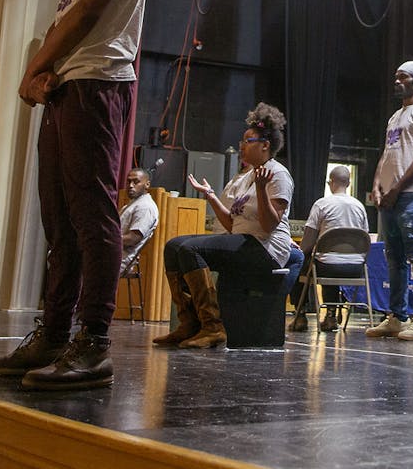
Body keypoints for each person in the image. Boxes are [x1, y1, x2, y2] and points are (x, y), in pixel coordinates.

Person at [0, 0, 149, 390]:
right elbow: (59, 24)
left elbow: (86, 17)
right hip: (65, 89)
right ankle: (54, 335)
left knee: (92, 215)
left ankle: (94, 342)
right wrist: (42, 75)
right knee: (58, 219)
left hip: (98, 85)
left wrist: (31, 72)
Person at [153, 103, 295, 349]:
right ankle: (189, 323)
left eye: (248, 140)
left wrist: (261, 190)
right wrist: (211, 196)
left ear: (265, 145)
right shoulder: (248, 176)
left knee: (191, 250)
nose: (242, 145)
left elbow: (270, 225)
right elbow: (232, 223)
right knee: (174, 246)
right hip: (244, 241)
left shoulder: (277, 174)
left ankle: (212, 326)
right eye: (242, 140)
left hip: (266, 248)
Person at [365, 61, 413, 341]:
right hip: (389, 198)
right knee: (393, 258)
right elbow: (387, 155)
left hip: (410, 197)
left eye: (403, 77)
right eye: (395, 76)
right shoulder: (395, 117)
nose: (397, 81)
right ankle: (397, 316)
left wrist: (396, 189)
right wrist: (376, 186)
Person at [289, 166, 369, 332]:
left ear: (331, 182)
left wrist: (300, 250)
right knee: (328, 260)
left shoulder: (322, 204)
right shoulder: (360, 207)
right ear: (348, 183)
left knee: (298, 261)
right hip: (355, 269)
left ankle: (300, 315)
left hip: (327, 266)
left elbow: (307, 244)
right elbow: (365, 239)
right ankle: (331, 316)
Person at [120, 168, 160, 277]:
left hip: (119, 259)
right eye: (128, 182)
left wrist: (105, 239)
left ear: (147, 185)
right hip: (112, 253)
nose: (131, 185)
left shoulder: (145, 206)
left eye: (136, 182)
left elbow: (133, 239)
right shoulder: (133, 204)